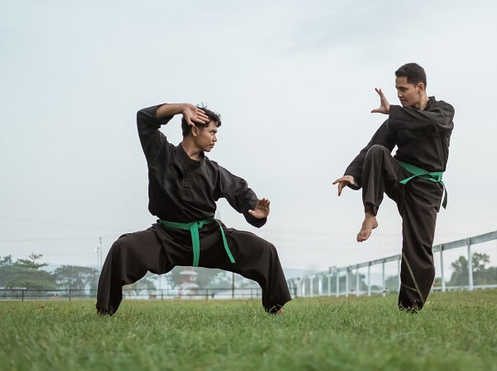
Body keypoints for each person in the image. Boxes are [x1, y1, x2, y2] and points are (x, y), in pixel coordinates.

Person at [96, 102, 291, 315]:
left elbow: (241, 192)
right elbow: (144, 118)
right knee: (123, 248)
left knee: (265, 250)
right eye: (212, 132)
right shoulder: (161, 155)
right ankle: (104, 311)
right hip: (166, 238)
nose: (215, 138)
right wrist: (180, 107)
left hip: (209, 239)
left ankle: (275, 308)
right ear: (195, 129)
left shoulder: (214, 171)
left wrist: (256, 212)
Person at [333, 63, 454, 311]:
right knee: (377, 153)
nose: (399, 94)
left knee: (416, 248)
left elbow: (432, 123)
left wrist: (394, 111)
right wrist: (352, 174)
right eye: (396, 89)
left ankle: (410, 308)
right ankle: (370, 214)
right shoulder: (397, 120)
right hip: (401, 179)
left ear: (420, 87)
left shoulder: (443, 111)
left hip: (426, 190)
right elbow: (371, 148)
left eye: (403, 89)